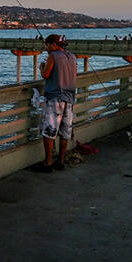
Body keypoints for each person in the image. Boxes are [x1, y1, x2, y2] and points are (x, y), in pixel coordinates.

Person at [34, 34, 77, 173]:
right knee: (65, 131)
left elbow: (46, 75)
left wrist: (42, 67)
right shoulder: (72, 57)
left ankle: (48, 163)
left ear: (53, 44)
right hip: (69, 98)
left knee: (49, 131)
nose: (46, 48)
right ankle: (61, 161)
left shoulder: (53, 56)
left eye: (46, 45)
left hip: (55, 98)